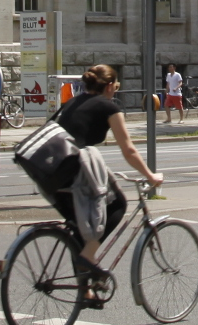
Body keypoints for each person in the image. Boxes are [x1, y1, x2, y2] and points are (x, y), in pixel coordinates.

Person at [41, 65, 163, 302]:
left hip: (53, 174)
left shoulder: (71, 103)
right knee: (117, 205)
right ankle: (87, 259)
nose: (115, 90)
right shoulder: (108, 107)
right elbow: (128, 149)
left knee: (80, 231)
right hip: (75, 172)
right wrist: (150, 175)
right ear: (109, 87)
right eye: (116, 86)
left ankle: (86, 288)